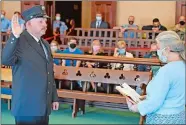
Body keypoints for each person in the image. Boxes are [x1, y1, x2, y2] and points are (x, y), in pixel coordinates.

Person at [2, 5, 59, 125]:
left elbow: (49, 72)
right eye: (40, 21)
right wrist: (14, 36)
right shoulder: (20, 40)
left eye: (45, 21)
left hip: (43, 107)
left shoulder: (45, 44)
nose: (45, 24)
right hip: (27, 107)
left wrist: (54, 97)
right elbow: (6, 60)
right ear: (28, 24)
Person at [126, 31, 185, 124]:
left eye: (158, 48)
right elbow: (172, 94)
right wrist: (147, 97)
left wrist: (135, 107)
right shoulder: (182, 66)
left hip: (163, 119)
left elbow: (155, 102)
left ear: (167, 49)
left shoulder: (166, 71)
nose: (157, 52)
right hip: (179, 116)